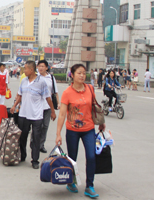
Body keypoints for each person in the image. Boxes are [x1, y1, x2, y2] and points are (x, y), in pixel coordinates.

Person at [55, 63, 105, 198]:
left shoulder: (90, 88)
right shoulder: (67, 93)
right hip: (72, 130)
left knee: (91, 156)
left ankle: (89, 186)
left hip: (89, 128)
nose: (82, 75)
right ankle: (71, 182)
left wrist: (101, 123)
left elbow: (94, 106)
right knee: (72, 158)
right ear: (72, 75)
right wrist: (58, 133)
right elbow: (62, 114)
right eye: (79, 73)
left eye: (84, 73)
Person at [10, 60, 56, 169]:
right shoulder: (24, 81)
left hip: (36, 115)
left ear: (31, 70)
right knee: (22, 136)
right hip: (23, 114)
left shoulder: (42, 82)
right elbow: (20, 95)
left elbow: (48, 98)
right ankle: (22, 156)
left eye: (25, 68)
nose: (24, 70)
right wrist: (14, 105)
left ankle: (35, 160)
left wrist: (52, 111)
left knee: (36, 138)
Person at [37, 60, 60, 153]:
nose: (40, 68)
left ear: (46, 67)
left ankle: (41, 145)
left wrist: (58, 103)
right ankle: (34, 143)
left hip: (48, 106)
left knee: (45, 126)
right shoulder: (35, 77)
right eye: (39, 66)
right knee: (37, 126)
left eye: (42, 66)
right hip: (37, 106)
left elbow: (55, 92)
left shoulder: (51, 77)